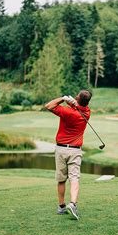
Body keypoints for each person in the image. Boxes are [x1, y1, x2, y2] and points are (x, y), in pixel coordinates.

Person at [45, 90, 92, 220]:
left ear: (77, 98)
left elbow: (48, 106)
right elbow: (78, 107)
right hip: (75, 150)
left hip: (61, 150)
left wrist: (63, 98)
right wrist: (73, 103)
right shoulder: (87, 113)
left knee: (61, 179)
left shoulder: (67, 112)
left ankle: (61, 207)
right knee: (74, 178)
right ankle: (73, 204)